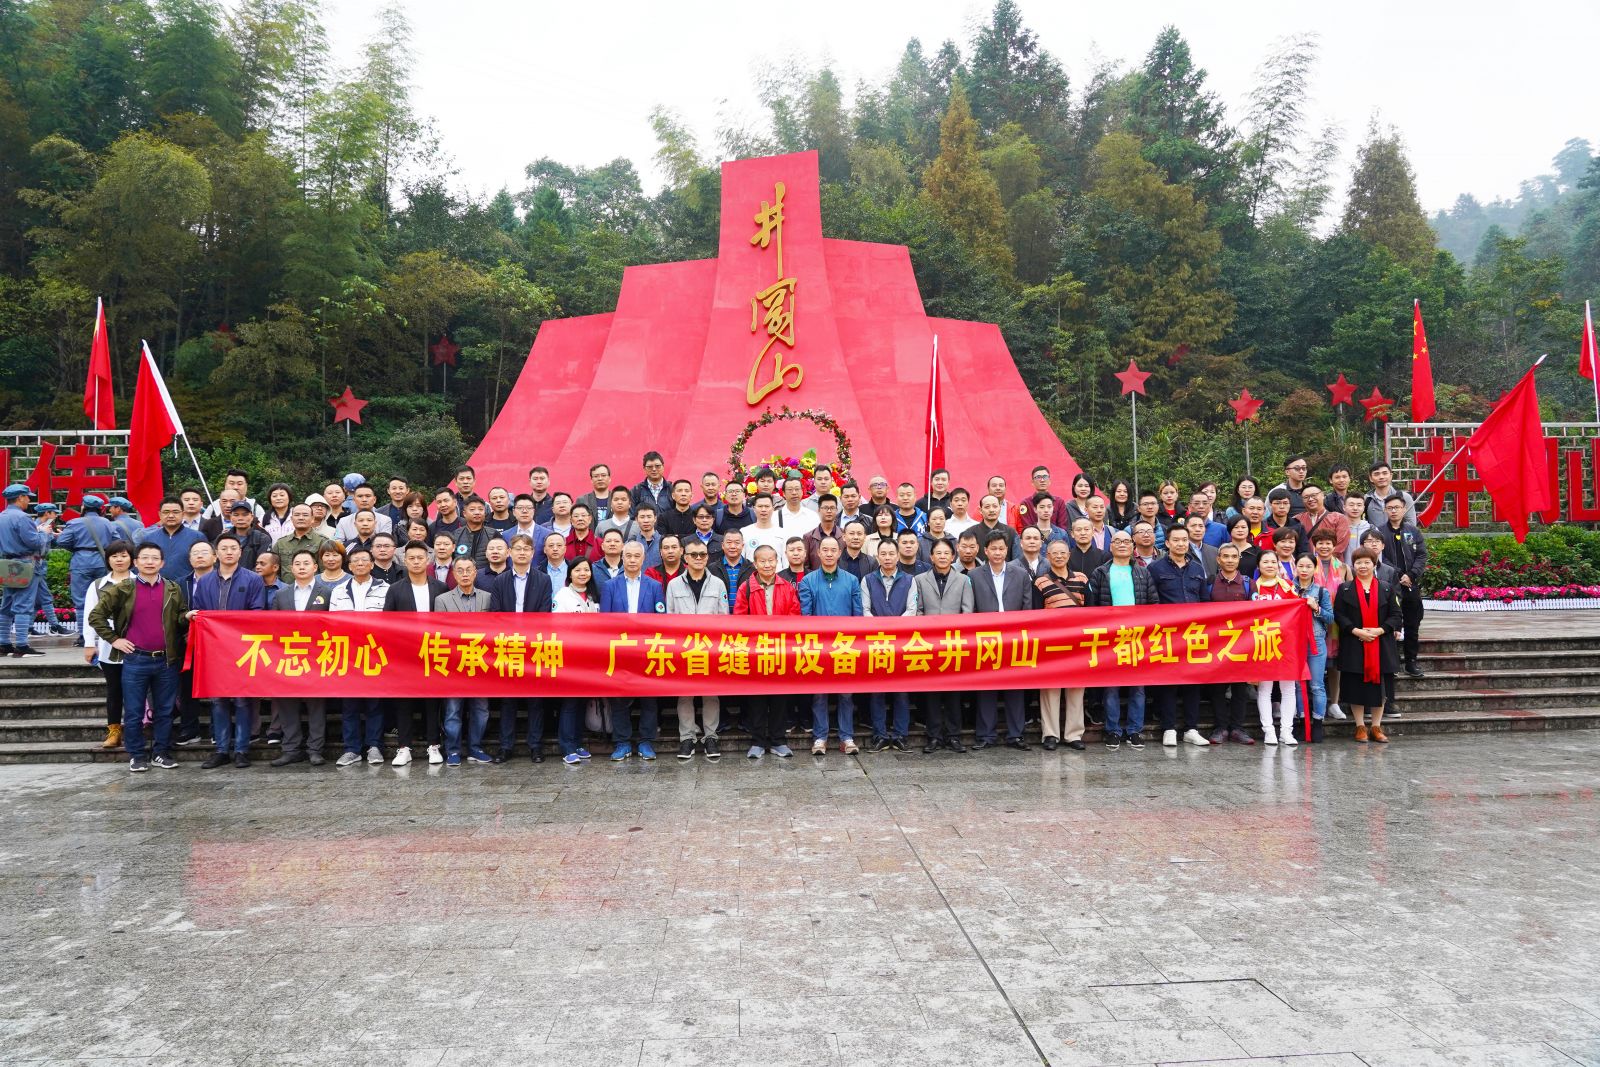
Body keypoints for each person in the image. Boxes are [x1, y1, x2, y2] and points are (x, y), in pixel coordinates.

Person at [87, 541, 190, 772]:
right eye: (145, 558)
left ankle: (161, 753)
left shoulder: (172, 588)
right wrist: (115, 639)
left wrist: (187, 616)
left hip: (166, 660)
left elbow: (179, 618)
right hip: (136, 659)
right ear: (136, 562)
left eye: (155, 558)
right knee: (133, 711)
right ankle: (136, 755)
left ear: (162, 563)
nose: (150, 562)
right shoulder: (124, 588)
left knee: (165, 710)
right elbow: (96, 616)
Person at [190, 534, 267, 769]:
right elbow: (199, 610)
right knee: (218, 700)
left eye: (233, 548)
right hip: (214, 650)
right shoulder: (204, 581)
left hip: (242, 649)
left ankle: (242, 749)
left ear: (240, 552)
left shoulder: (253, 579)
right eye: (224, 548)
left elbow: (258, 612)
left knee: (242, 700)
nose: (229, 552)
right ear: (216, 554)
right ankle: (221, 750)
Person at [488, 533, 554, 763]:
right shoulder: (500, 581)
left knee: (535, 699)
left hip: (534, 645)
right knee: (508, 699)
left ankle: (535, 746)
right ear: (509, 552)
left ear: (533, 553)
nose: (522, 553)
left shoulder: (543, 580)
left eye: (526, 549)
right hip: (508, 645)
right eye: (517, 548)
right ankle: (505, 746)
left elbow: (545, 613)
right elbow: (496, 614)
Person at [732, 544, 801, 759]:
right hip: (756, 652)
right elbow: (739, 619)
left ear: (777, 561)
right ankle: (758, 741)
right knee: (757, 699)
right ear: (755, 563)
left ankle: (779, 741)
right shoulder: (746, 587)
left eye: (771, 560)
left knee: (780, 698)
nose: (767, 565)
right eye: (762, 561)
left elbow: (795, 616)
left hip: (780, 650)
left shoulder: (786, 587)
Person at [382, 541, 447, 766]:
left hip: (433, 652)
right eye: (412, 558)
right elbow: (386, 622)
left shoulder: (440, 587)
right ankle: (404, 747)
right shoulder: (395, 589)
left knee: (432, 702)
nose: (416, 562)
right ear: (405, 560)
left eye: (420, 558)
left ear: (428, 560)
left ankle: (433, 745)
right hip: (405, 654)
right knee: (404, 702)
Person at [1147, 526, 1212, 748]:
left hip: (1194, 634)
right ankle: (1169, 728)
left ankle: (1191, 728)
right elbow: (1152, 601)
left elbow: (1205, 601)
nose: (1181, 544)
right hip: (1168, 634)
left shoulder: (1197, 568)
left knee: (1193, 681)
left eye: (1184, 540)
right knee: (1169, 681)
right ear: (1167, 543)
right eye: (1176, 540)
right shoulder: (1155, 568)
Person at [599, 542, 665, 761]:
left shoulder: (654, 586)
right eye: (629, 556)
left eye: (637, 556)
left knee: (649, 699)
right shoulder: (610, 585)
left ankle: (646, 741)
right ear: (622, 557)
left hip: (647, 650)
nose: (633, 560)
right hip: (620, 650)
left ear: (643, 559)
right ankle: (622, 742)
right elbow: (605, 622)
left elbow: (660, 620)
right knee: (619, 699)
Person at [267, 549, 332, 766]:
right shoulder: (281, 594)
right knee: (287, 703)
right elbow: (273, 626)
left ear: (315, 567)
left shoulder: (327, 592)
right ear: (291, 568)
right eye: (297, 563)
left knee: (316, 704)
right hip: (288, 655)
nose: (302, 567)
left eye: (306, 563)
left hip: (316, 656)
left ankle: (315, 749)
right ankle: (291, 749)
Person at [799, 535, 862, 755]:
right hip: (818, 646)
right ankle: (820, 738)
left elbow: (858, 616)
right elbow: (805, 616)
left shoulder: (851, 580)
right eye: (824, 550)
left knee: (846, 694)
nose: (828, 553)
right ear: (818, 553)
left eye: (833, 550)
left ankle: (847, 737)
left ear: (839, 552)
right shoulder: (808, 581)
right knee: (820, 693)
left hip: (845, 646)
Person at [969, 529, 1032, 750]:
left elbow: (1027, 607)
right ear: (985, 551)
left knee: (1015, 687)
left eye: (1001, 549)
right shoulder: (974, 575)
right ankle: (986, 735)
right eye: (993, 549)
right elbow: (971, 609)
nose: (997, 553)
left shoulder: (1020, 574)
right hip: (986, 639)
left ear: (1007, 550)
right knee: (986, 687)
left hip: (1014, 638)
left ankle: (1016, 735)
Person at [666, 540, 728, 759]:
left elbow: (724, 617)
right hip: (683, 649)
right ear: (685, 558)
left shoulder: (718, 584)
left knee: (711, 695)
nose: (699, 558)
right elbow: (669, 619)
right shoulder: (674, 585)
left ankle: (711, 737)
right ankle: (687, 738)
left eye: (702, 554)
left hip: (710, 649)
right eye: (694, 555)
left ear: (707, 557)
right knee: (685, 695)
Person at [1333, 547, 1402, 744]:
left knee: (1380, 688)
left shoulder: (1386, 588)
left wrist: (1380, 630)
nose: (1362, 566)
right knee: (1356, 687)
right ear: (1353, 565)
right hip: (1354, 644)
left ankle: (1376, 727)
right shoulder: (1345, 588)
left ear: (1374, 564)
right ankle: (1360, 726)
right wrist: (1356, 631)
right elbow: (1339, 615)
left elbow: (1396, 615)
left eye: (1366, 562)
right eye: (1358, 563)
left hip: (1381, 645)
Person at [328, 546, 389, 765]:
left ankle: (374, 746)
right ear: (349, 566)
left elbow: (392, 622)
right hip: (349, 653)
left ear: (372, 564)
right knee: (350, 704)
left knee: (375, 703)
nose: (360, 563)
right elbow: (333, 623)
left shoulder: (386, 589)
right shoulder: (339, 591)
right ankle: (351, 749)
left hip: (375, 653)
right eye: (355, 561)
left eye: (364, 560)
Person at [913, 539, 973, 752]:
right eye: (938, 553)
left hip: (954, 643)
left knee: (953, 693)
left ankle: (954, 736)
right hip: (929, 644)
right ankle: (934, 736)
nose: (942, 556)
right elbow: (918, 610)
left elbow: (967, 611)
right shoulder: (920, 579)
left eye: (946, 553)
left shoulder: (963, 580)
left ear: (953, 556)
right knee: (932, 692)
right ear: (931, 556)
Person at [435, 557, 495, 768]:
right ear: (454, 574)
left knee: (481, 708)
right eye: (460, 570)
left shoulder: (488, 598)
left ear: (476, 573)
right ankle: (453, 749)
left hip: (481, 662)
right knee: (453, 709)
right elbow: (440, 632)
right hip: (454, 663)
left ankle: (475, 747)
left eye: (469, 570)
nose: (465, 574)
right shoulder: (442, 600)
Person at [862, 539, 919, 751]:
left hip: (901, 643)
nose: (887, 558)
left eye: (891, 554)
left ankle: (900, 735)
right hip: (876, 643)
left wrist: (894, 628)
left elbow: (912, 610)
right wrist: (880, 629)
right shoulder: (868, 580)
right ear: (877, 556)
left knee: (901, 691)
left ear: (898, 556)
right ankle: (880, 735)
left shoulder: (909, 580)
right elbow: (865, 610)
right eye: (883, 554)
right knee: (877, 690)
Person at [1033, 540, 1088, 751]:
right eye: (1054, 553)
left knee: (1076, 689)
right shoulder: (1040, 582)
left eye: (1063, 553)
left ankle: (1074, 734)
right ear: (1047, 556)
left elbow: (1092, 611)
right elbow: (1035, 613)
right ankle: (1050, 734)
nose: (1059, 556)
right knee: (1050, 689)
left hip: (1078, 643)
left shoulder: (1082, 579)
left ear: (1069, 555)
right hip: (1051, 643)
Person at [82, 540, 134, 750]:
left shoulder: (139, 582)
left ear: (132, 558)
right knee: (114, 689)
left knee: (137, 690)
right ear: (108, 560)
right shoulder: (98, 585)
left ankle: (136, 729)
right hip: (108, 645)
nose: (119, 560)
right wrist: (89, 643)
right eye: (114, 556)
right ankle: (114, 731)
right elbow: (90, 615)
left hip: (135, 643)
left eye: (123, 555)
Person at [1205, 543, 1256, 745]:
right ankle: (1220, 727)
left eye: (1234, 557)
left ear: (1239, 559)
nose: (1229, 560)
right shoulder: (1210, 582)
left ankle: (1237, 728)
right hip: (1215, 644)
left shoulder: (1248, 584)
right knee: (1217, 689)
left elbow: (1257, 613)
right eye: (1225, 556)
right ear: (1218, 559)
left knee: (1240, 688)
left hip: (1241, 645)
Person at [1251, 554, 1301, 746]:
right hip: (1262, 642)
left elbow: (1297, 611)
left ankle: (1286, 731)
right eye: (1265, 562)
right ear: (1258, 565)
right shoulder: (1253, 587)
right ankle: (1269, 731)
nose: (1270, 565)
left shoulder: (1288, 585)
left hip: (1286, 643)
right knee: (1265, 689)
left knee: (1288, 688)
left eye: (1273, 562)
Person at [1376, 493, 1428, 678]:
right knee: (1390, 623)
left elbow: (1421, 555)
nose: (1393, 511)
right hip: (1390, 585)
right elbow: (1381, 556)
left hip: (1411, 584)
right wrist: (1398, 574)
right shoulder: (1380, 532)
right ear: (1385, 510)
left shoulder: (1413, 531)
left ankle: (1411, 662)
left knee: (1412, 624)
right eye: (1390, 508)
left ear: (1404, 509)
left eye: (1397, 507)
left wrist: (1411, 574)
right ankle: (1392, 663)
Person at [0, 483, 51, 655]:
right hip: (25, 564)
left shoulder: (2, 516)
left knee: (6, 604)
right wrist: (43, 532)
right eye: (27, 497)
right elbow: (34, 542)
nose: (29, 500)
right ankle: (21, 645)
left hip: (6, 564)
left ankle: (4, 643)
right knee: (24, 605)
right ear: (20, 497)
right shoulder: (22, 518)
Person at [1293, 554, 1335, 742]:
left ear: (1314, 568)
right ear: (1295, 567)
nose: (1304, 570)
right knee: (1297, 684)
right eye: (1301, 566)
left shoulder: (1321, 591)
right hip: (1293, 642)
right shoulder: (1288, 589)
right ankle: (1303, 721)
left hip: (1316, 642)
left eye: (1308, 566)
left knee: (1317, 685)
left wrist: (1316, 608)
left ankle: (1318, 722)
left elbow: (1330, 618)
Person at [52, 493, 116, 612]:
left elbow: (62, 541)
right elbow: (117, 541)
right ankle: (100, 624)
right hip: (102, 562)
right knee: (103, 598)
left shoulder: (75, 522)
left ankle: (83, 625)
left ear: (83, 507)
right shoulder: (107, 523)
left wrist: (76, 547)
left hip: (81, 562)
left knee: (80, 600)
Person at [140, 496, 207, 581]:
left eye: (175, 512)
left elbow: (206, 564)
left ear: (183, 514)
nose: (171, 516)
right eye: (166, 512)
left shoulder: (197, 537)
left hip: (187, 585)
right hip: (156, 585)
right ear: (160, 514)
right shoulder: (149, 538)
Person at [1295, 485, 1350, 559]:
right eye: (1306, 497)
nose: (1310, 499)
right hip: (1306, 564)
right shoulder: (1297, 520)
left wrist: (1322, 561)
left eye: (1314, 495)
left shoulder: (1339, 518)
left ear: (1323, 495)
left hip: (1332, 563)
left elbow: (1340, 545)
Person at [1365, 463, 1417, 527]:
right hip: (1374, 534)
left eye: (1385, 473)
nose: (1381, 477)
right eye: (1377, 474)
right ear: (1370, 478)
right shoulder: (1367, 499)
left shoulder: (1404, 497)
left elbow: (1411, 525)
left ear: (1391, 476)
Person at [740, 493, 787, 562]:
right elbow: (741, 560)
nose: (763, 509)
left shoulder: (782, 533)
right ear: (754, 509)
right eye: (760, 506)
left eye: (767, 506)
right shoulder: (744, 532)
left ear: (773, 509)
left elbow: (786, 562)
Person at [709, 530, 746, 612]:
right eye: (729, 542)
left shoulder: (751, 569)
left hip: (745, 616)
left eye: (737, 543)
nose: (732, 546)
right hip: (719, 616)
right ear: (722, 545)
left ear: (742, 545)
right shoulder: (712, 569)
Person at [632, 450, 670, 515]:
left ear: (663, 467)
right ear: (644, 468)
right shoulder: (636, 491)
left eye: (657, 466)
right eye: (649, 467)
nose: (654, 469)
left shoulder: (672, 489)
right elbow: (631, 516)